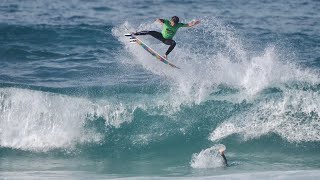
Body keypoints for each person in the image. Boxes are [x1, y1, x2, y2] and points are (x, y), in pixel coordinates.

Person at [132, 16, 200, 59]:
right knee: (150, 32)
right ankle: (135, 34)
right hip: (161, 36)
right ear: (171, 21)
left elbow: (188, 25)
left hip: (167, 40)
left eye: (175, 24)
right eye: (173, 23)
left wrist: (194, 23)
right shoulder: (167, 22)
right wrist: (159, 20)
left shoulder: (178, 25)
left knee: (174, 43)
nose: (174, 25)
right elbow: (160, 20)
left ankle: (165, 55)